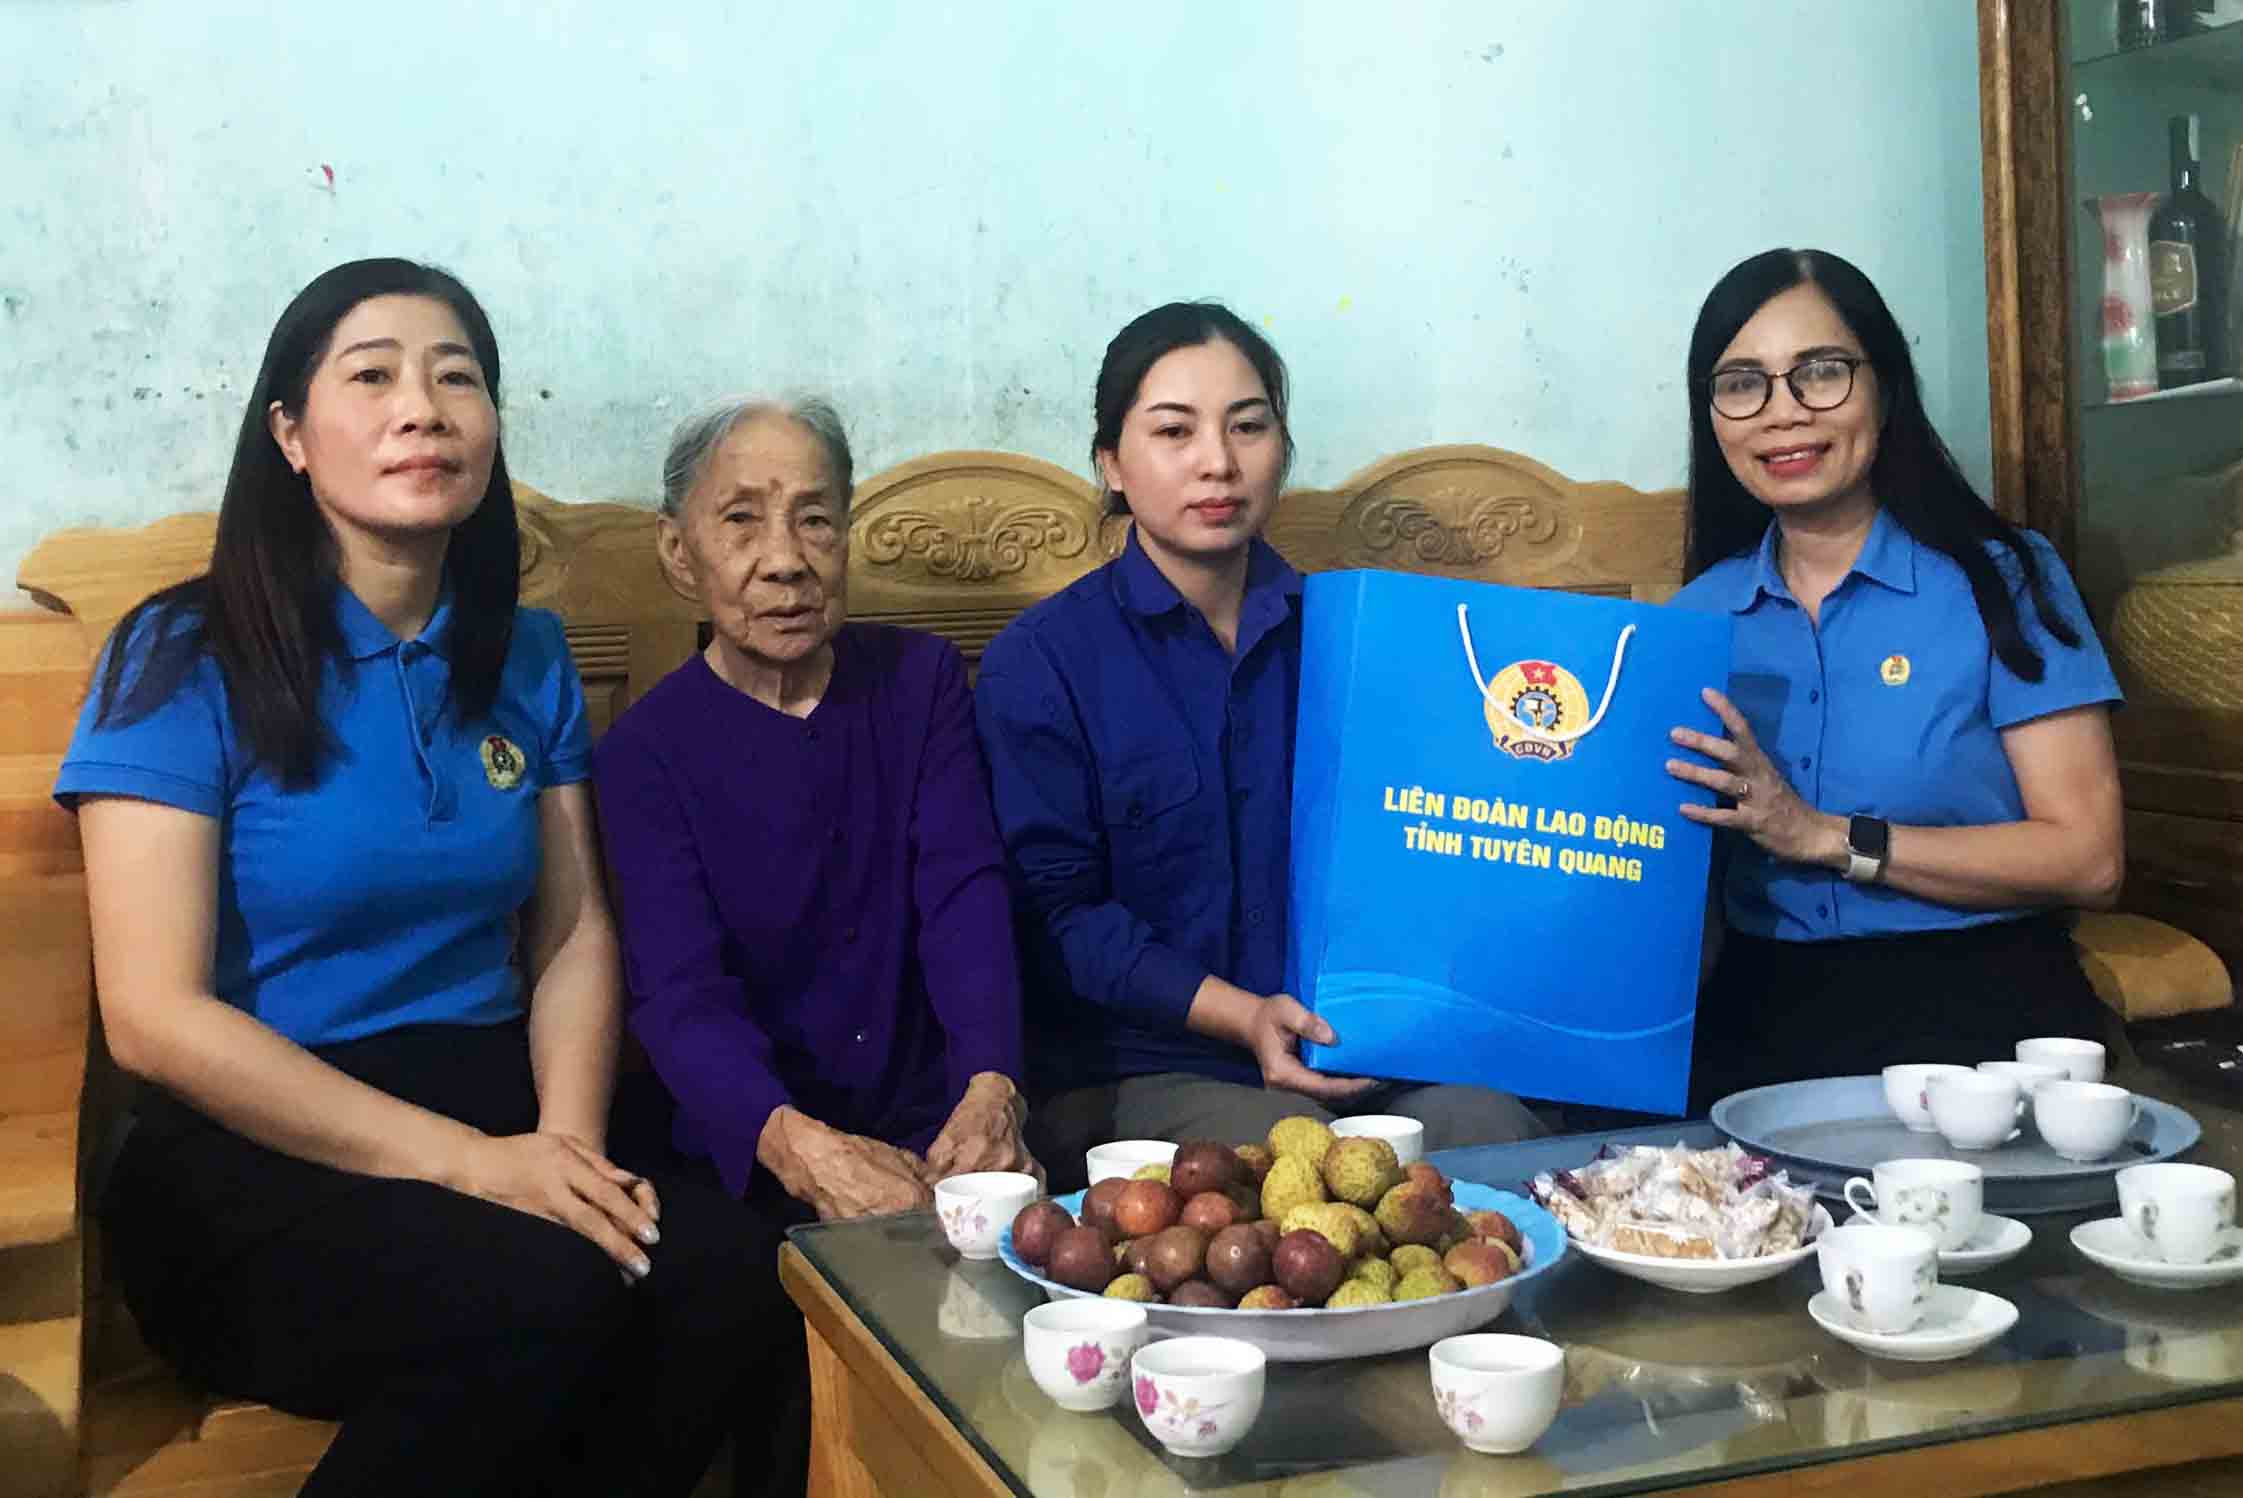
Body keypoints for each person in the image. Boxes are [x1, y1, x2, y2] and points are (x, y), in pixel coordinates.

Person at [56, 259, 762, 1497]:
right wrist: (473, 1166)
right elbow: (154, 1018)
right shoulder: (180, 653)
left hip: (493, 1090)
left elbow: (573, 930)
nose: (421, 407)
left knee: (732, 1277)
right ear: (289, 432)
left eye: (457, 378)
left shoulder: (526, 655)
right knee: (543, 1299)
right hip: (251, 1145)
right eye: (371, 375)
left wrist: (563, 1148)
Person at [975, 301, 1545, 1189]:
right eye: (1174, 431)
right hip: (1151, 1065)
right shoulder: (1043, 663)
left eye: (1248, 426)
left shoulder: (1362, 639)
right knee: (1286, 1164)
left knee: (1499, 1135)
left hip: (1368, 1049)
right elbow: (1060, 920)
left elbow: (1434, 848)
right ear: (1111, 465)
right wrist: (1243, 1018)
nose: (1218, 462)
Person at [592, 396, 1036, 1490]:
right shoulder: (645, 751)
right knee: (754, 1303)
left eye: (815, 521)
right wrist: (795, 1146)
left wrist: (991, 1083)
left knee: (1029, 1285)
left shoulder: (919, 681)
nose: (785, 562)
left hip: (928, 1111)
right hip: (742, 1140)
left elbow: (963, 891)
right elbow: (676, 993)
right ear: (677, 553)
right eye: (741, 522)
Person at [1665, 248, 2124, 1112]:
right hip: (1756, 1019)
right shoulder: (1691, 618)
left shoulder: (2005, 579)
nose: (1783, 413)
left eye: (1820, 373)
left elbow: (2089, 859)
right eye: (1741, 383)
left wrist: (1825, 836)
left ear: (1885, 385)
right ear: (1713, 415)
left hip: (1982, 1018)